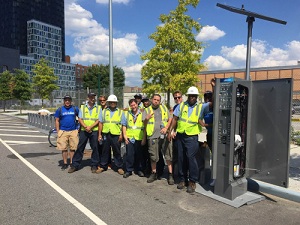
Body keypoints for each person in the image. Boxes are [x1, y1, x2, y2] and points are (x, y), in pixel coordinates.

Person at [168, 86, 203, 193]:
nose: (192, 97)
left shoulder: (201, 107)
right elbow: (175, 119)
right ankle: (183, 180)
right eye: (190, 96)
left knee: (191, 158)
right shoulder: (181, 105)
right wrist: (171, 131)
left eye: (194, 96)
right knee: (181, 158)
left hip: (192, 137)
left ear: (197, 97)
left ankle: (192, 181)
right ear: (187, 96)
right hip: (180, 136)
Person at [143, 94, 174, 185]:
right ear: (152, 100)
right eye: (154, 99)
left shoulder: (164, 108)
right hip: (152, 136)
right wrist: (146, 118)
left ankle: (170, 174)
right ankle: (154, 173)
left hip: (164, 135)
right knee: (153, 156)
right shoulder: (147, 110)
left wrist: (166, 128)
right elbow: (144, 124)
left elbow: (170, 119)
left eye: (158, 100)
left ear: (159, 101)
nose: (156, 101)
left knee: (168, 155)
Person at [68, 92, 101, 173]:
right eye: (90, 97)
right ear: (88, 98)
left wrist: (90, 127)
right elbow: (80, 118)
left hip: (94, 130)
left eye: (93, 97)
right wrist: (86, 127)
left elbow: (98, 120)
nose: (92, 99)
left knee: (95, 148)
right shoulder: (82, 107)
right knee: (80, 147)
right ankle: (75, 165)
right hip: (84, 130)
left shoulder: (98, 108)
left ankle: (94, 165)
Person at [96, 94, 124, 175]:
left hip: (116, 134)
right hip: (106, 133)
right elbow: (101, 123)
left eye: (114, 102)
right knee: (105, 151)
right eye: (111, 102)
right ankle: (103, 166)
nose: (112, 103)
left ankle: (119, 167)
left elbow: (123, 125)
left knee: (117, 151)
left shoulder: (120, 112)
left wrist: (121, 134)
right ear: (108, 102)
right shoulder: (104, 111)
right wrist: (99, 134)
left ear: (116, 103)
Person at [121, 99, 145, 178]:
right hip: (130, 137)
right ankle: (128, 170)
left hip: (139, 137)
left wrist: (144, 138)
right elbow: (124, 125)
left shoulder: (142, 113)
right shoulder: (126, 114)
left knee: (139, 154)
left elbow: (145, 126)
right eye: (131, 105)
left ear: (137, 104)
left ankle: (139, 169)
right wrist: (125, 136)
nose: (133, 107)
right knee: (129, 155)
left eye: (134, 105)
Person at [54, 95, 79, 170]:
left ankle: (72, 162)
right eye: (66, 100)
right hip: (63, 131)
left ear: (71, 101)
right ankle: (65, 163)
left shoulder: (75, 109)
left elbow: (80, 118)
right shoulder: (60, 109)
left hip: (73, 131)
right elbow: (57, 120)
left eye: (68, 100)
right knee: (63, 148)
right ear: (64, 101)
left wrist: (79, 129)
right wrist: (58, 131)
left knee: (72, 148)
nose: (67, 101)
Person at [170, 91, 183, 176]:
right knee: (175, 154)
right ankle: (175, 173)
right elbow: (174, 120)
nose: (177, 99)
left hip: (183, 133)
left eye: (179, 97)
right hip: (176, 134)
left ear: (182, 97)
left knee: (182, 155)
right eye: (175, 98)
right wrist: (172, 131)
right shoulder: (175, 107)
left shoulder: (185, 106)